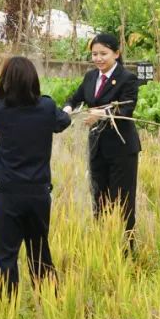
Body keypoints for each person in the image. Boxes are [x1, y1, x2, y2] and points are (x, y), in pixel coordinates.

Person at [0, 56, 72, 296]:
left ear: (6, 80)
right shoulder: (47, 107)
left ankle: (8, 305)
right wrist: (66, 110)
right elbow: (63, 122)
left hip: (7, 193)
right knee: (39, 251)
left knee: (6, 256)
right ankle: (50, 301)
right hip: (37, 193)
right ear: (33, 80)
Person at [62, 33, 141, 253]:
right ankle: (102, 243)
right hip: (97, 147)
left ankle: (126, 249)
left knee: (123, 200)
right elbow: (75, 98)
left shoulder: (127, 78)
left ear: (116, 53)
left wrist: (102, 114)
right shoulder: (90, 77)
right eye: (94, 54)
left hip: (121, 149)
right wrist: (67, 109)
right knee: (99, 197)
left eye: (103, 54)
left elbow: (126, 109)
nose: (98, 58)